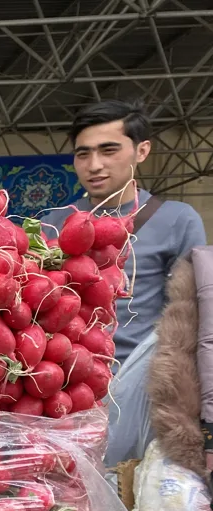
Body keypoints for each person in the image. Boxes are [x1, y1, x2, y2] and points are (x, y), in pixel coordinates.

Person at [43, 99, 207, 368]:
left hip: (138, 382)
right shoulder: (52, 223)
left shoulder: (177, 219)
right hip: (65, 382)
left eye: (109, 150)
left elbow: (193, 316)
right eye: (83, 154)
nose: (94, 165)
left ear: (142, 151)